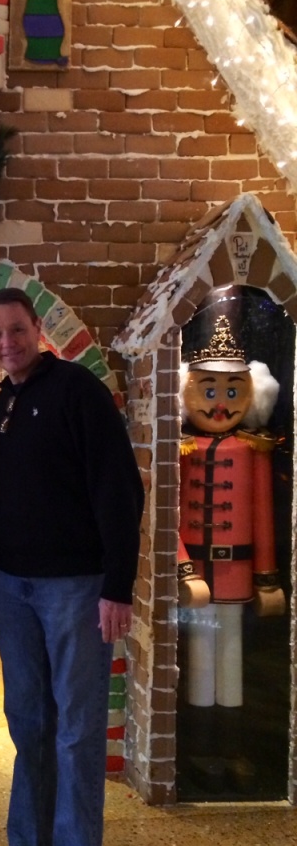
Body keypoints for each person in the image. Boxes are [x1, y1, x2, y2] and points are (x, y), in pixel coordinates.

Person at [0, 288, 144, 846]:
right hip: (12, 583)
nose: (7, 343)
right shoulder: (3, 404)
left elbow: (120, 491)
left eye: (16, 330)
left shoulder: (78, 391)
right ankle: (30, 844)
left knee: (75, 728)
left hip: (76, 585)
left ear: (37, 329)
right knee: (28, 721)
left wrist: (117, 587)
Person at [177, 314, 283, 793]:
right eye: (210, 390)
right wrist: (182, 567)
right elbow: (171, 513)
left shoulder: (252, 451)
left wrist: (268, 577)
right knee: (200, 660)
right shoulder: (183, 449)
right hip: (198, 573)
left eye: (232, 391)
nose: (220, 403)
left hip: (239, 573)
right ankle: (201, 749)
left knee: (232, 661)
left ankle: (234, 747)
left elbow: (262, 516)